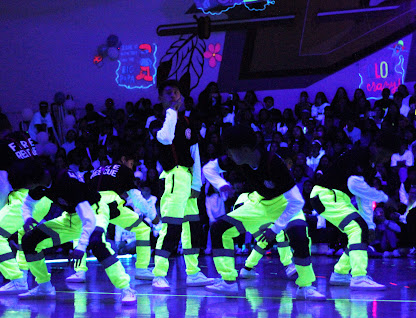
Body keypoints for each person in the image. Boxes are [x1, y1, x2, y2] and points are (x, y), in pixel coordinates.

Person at [203, 125, 325, 300]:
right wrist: (220, 183)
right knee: (219, 229)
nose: (228, 156)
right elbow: (208, 169)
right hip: (260, 204)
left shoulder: (274, 163)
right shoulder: (238, 159)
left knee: (299, 236)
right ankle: (228, 281)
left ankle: (305, 286)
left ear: (245, 150)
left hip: (286, 204)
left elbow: (297, 201)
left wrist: (275, 229)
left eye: (230, 152)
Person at [17, 161, 137, 304]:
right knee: (29, 240)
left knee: (97, 244)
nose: (26, 187)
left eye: (27, 184)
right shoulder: (40, 182)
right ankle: (44, 287)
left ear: (37, 179)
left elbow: (89, 219)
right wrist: (27, 218)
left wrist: (80, 247)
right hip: (70, 218)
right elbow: (27, 203)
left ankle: (126, 288)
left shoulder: (67, 183)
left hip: (94, 210)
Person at [151, 79, 214, 290]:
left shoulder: (188, 122)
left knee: (192, 226)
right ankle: (159, 273)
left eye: (176, 93)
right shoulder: (159, 120)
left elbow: (196, 154)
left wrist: (198, 183)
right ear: (160, 97)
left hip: (189, 178)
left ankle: (193, 272)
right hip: (173, 177)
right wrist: (171, 112)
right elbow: (166, 138)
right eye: (169, 93)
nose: (173, 96)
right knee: (172, 226)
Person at [0, 111, 52, 295]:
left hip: (23, 199)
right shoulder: (25, 137)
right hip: (43, 197)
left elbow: (2, 185)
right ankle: (24, 276)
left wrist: (0, 212)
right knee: (25, 237)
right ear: (10, 127)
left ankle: (16, 279)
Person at [65, 150, 158, 282]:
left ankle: (79, 272)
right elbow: (137, 198)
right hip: (109, 205)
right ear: (123, 159)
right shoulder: (124, 170)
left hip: (95, 205)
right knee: (143, 229)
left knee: (80, 232)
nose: (131, 167)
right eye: (131, 163)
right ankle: (140, 269)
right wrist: (152, 215)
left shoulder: (97, 170)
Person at [310, 147, 388, 290]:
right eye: (387, 154)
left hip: (339, 198)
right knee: (358, 228)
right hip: (326, 195)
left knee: (359, 231)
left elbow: (363, 197)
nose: (387, 159)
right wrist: (383, 198)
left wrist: (369, 226)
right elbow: (354, 185)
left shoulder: (369, 167)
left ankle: (340, 272)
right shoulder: (361, 155)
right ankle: (358, 277)